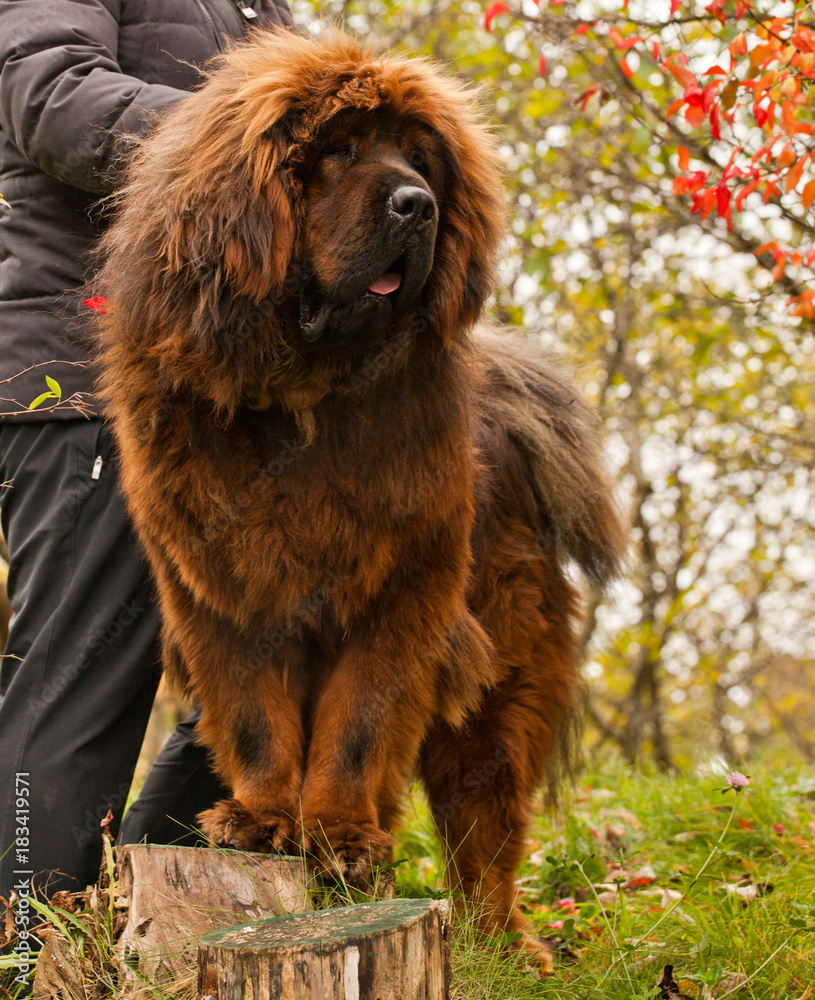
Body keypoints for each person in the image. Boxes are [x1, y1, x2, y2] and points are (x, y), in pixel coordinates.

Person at [0, 0, 293, 921]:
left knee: (280, 664)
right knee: (75, 689)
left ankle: (136, 923)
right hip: (84, 377)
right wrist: (268, 139)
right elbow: (49, 93)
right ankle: (23, 955)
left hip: (219, 388)